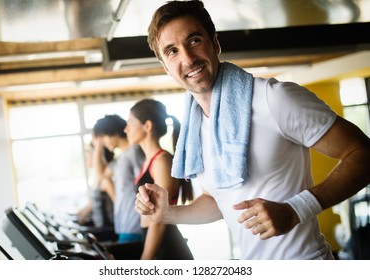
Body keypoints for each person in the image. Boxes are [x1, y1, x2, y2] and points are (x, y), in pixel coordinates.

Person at [134, 0, 370, 260]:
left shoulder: (274, 98)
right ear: (165, 67)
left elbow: (363, 155)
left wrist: (295, 210)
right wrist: (166, 213)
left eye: (194, 41)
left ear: (215, 43)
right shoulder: (196, 126)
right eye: (172, 51)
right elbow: (218, 200)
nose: (188, 59)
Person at [125, 98, 194, 260]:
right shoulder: (148, 161)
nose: (125, 129)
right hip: (151, 237)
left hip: (165, 242)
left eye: (130, 122)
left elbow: (159, 219)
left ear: (147, 126)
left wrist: (145, 259)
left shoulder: (162, 161)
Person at [92, 114, 145, 250]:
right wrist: (97, 147)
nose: (102, 142)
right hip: (125, 225)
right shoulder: (121, 158)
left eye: (103, 137)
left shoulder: (135, 152)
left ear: (113, 132)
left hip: (135, 224)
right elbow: (101, 176)